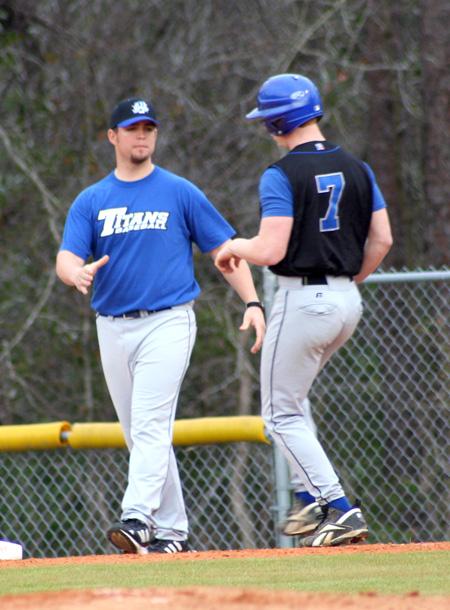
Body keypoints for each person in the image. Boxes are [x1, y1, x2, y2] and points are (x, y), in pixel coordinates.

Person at [56, 97, 266, 554]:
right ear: (112, 137)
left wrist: (252, 301)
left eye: (148, 128)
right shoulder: (92, 200)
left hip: (168, 321)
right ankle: (174, 534)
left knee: (150, 425)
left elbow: (224, 251)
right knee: (141, 434)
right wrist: (74, 272)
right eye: (132, 129)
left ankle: (137, 518)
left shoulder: (179, 191)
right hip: (112, 325)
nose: (142, 136)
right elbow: (67, 256)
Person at [215, 74, 393, 547]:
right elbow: (383, 240)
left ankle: (337, 506)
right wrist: (348, 279)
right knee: (295, 400)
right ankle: (306, 495)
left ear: (276, 123)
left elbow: (270, 249)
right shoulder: (359, 168)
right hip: (346, 301)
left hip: (302, 298)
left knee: (278, 415)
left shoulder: (281, 174)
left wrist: (234, 245)